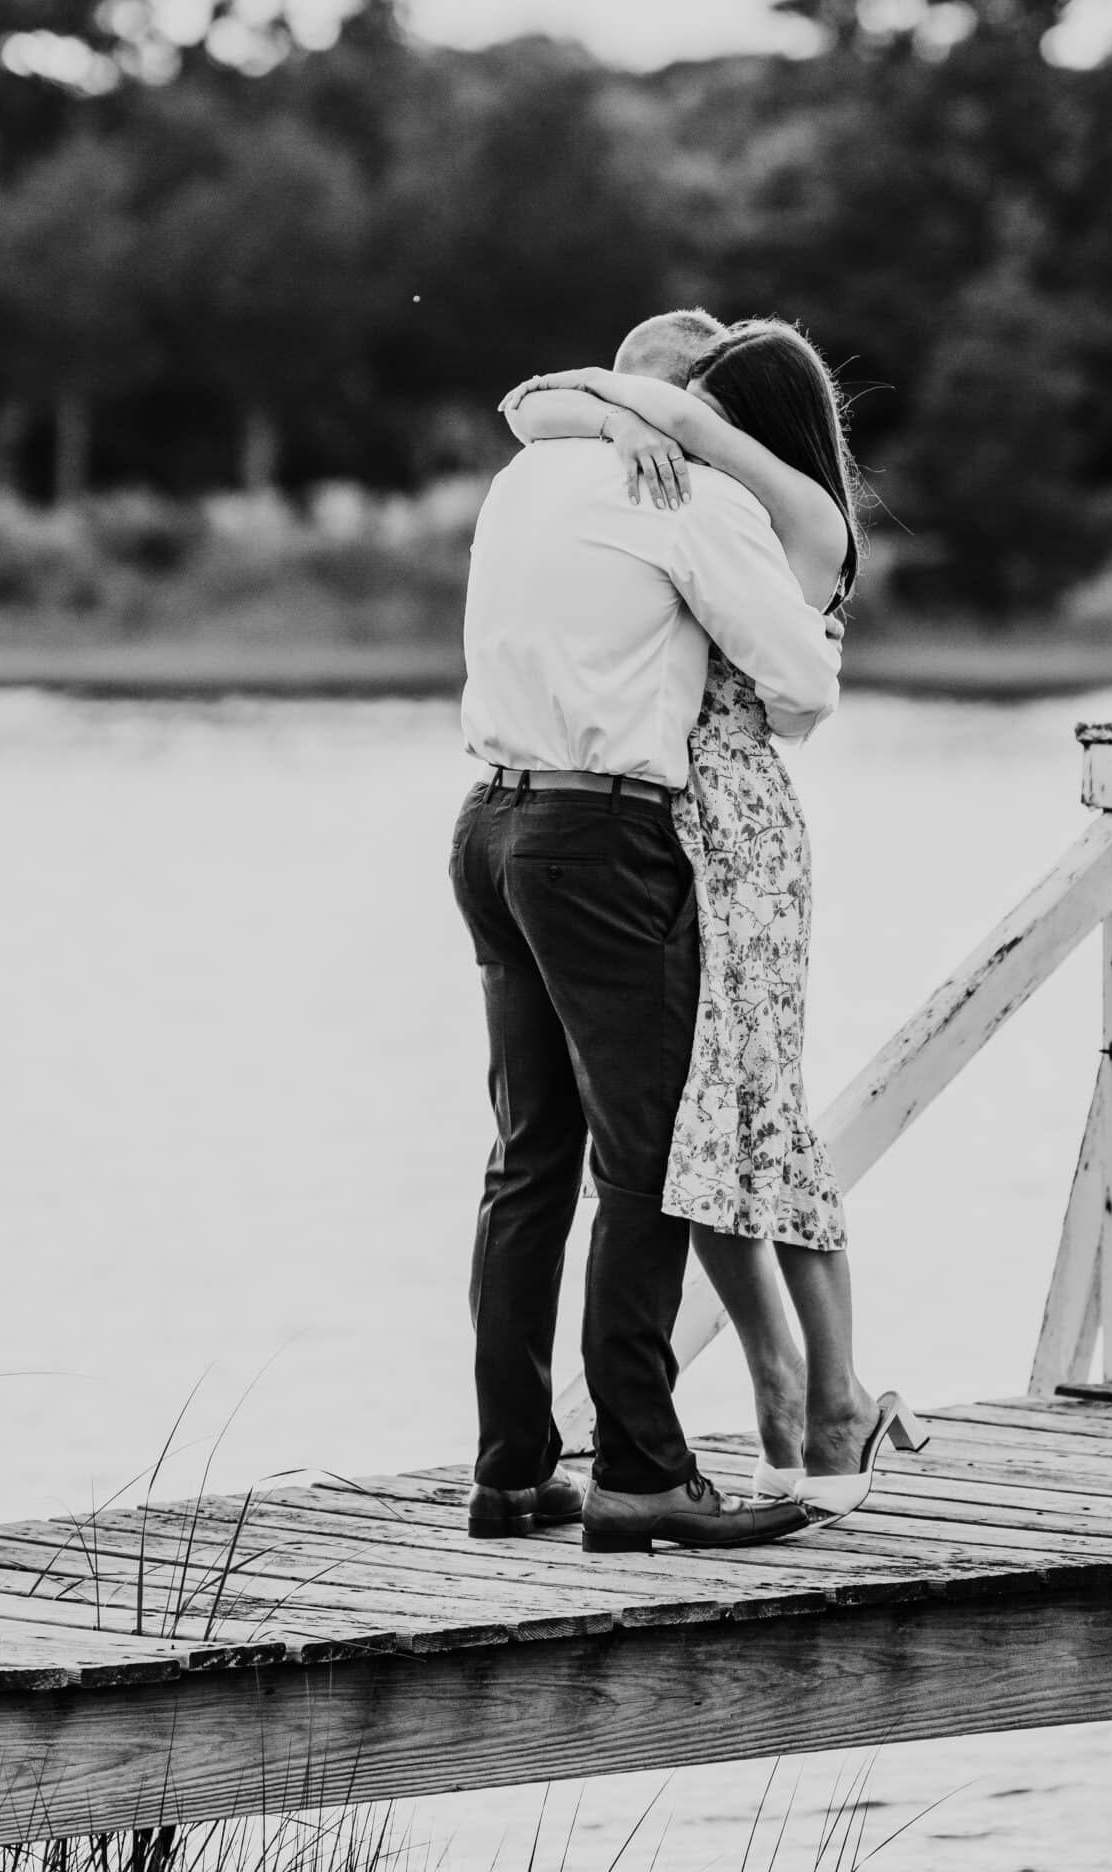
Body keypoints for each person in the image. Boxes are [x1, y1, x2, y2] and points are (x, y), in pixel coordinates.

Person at [503, 318, 928, 1518]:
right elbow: (534, 405)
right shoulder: (717, 497)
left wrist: (642, 413)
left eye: (705, 405)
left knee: (758, 1120)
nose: (685, 417)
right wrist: (626, 419)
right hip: (663, 826)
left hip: (734, 835)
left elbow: (556, 396)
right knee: (700, 1139)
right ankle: (783, 1399)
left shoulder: (795, 510)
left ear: (746, 413)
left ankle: (834, 1399)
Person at [452, 311, 841, 1554]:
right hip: (601, 840)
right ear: (695, 409)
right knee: (648, 1161)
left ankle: (512, 1471)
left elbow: (526, 396)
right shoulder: (696, 499)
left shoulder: (526, 471)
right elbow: (801, 681)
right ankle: (639, 1471)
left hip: (488, 826)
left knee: (528, 1161)